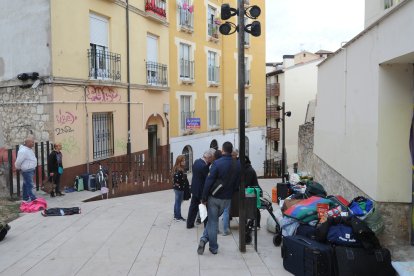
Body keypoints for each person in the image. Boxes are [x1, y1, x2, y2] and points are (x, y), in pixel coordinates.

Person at [197, 141, 240, 255]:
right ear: (231, 151)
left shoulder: (217, 163)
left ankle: (213, 247)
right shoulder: (237, 164)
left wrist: (204, 197)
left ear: (222, 150)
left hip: (214, 197)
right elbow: (237, 183)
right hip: (227, 199)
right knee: (213, 221)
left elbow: (209, 181)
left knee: (212, 221)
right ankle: (203, 239)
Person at [186, 148, 215, 229]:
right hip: (201, 190)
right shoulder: (204, 167)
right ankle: (207, 226)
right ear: (209, 157)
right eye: (212, 158)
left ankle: (189, 223)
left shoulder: (197, 161)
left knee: (193, 207)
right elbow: (207, 180)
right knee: (204, 208)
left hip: (194, 188)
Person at [15, 135, 38, 202]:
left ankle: (25, 198)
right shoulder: (23, 151)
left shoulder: (28, 149)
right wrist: (18, 167)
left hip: (30, 170)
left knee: (26, 184)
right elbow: (18, 161)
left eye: (33, 142)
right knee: (30, 185)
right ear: (27, 143)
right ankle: (33, 198)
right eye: (32, 142)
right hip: (27, 171)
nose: (33, 143)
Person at [221, 149, 238, 235]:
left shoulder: (224, 163)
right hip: (230, 190)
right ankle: (225, 229)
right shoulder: (237, 164)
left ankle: (224, 228)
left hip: (224, 190)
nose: (233, 157)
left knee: (225, 211)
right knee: (226, 211)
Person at [245, 155, 262, 228]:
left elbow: (247, 183)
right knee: (253, 208)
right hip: (252, 190)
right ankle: (254, 223)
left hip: (253, 191)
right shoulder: (248, 168)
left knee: (254, 208)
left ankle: (256, 224)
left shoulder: (249, 170)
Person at [172, 155, 188, 221]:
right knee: (178, 202)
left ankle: (176, 215)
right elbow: (179, 180)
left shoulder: (176, 168)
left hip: (177, 188)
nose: (184, 162)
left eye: (184, 160)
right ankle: (178, 216)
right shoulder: (179, 170)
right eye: (183, 161)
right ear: (179, 162)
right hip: (179, 188)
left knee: (177, 202)